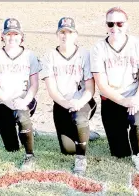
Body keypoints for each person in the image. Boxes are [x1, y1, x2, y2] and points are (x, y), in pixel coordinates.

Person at [90, 7, 139, 172]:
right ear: (106, 25)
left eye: (120, 23)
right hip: (112, 99)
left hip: (136, 95)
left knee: (138, 123)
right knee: (120, 153)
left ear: (127, 24)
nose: (115, 28)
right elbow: (101, 85)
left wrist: (136, 99)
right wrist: (124, 101)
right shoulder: (98, 49)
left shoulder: (138, 45)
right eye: (110, 24)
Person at [40, 17, 98, 175]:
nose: (65, 36)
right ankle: (84, 132)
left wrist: (78, 103)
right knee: (67, 149)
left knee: (79, 118)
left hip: (83, 102)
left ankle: (81, 158)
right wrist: (68, 104)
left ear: (75, 35)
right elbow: (52, 92)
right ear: (57, 34)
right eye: (62, 32)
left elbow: (90, 89)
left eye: (69, 32)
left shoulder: (84, 54)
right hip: (61, 104)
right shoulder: (50, 56)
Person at [0, 18, 41, 170]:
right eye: (8, 34)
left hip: (23, 101)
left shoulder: (29, 55)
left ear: (22, 37)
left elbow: (34, 85)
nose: (12, 38)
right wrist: (7, 101)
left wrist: (24, 101)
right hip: (2, 103)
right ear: (2, 36)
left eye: (15, 34)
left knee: (22, 116)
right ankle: (26, 129)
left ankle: (29, 152)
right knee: (12, 148)